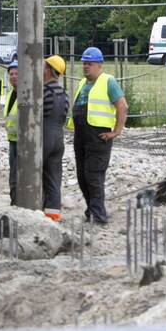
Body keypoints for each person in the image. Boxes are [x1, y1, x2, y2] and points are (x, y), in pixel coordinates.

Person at [69, 47, 128, 224]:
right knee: (82, 176)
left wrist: (116, 131)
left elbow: (122, 106)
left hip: (98, 136)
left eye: (90, 63)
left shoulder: (108, 81)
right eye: (84, 63)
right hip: (81, 135)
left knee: (93, 175)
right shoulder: (83, 83)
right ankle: (92, 210)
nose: (86, 66)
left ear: (99, 65)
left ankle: (99, 215)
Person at [41, 55, 70, 221]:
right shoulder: (63, 92)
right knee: (53, 178)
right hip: (59, 138)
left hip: (45, 137)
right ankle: (53, 215)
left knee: (33, 173)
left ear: (49, 71)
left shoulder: (43, 91)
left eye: (44, 67)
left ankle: (31, 210)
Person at [4, 60, 19, 205]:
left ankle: (18, 202)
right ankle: (14, 201)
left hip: (24, 142)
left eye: (17, 73)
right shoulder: (10, 94)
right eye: (11, 74)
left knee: (18, 175)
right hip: (12, 140)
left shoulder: (27, 94)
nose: (13, 76)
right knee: (13, 174)